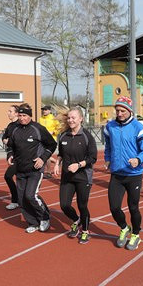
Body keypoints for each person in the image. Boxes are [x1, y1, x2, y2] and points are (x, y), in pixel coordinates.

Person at [104, 96, 143, 251]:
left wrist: (138, 159)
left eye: (122, 110)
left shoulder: (138, 128)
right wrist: (107, 159)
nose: (119, 113)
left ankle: (136, 234)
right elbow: (108, 147)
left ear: (129, 110)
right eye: (117, 110)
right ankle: (124, 227)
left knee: (133, 207)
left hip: (133, 175)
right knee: (114, 207)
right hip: (117, 174)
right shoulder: (109, 126)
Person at [7, 105, 57, 233]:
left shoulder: (38, 129)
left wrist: (43, 158)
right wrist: (10, 155)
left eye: (25, 116)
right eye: (20, 116)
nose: (22, 118)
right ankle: (32, 222)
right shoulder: (15, 129)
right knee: (22, 198)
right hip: (20, 169)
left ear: (30, 116)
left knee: (31, 196)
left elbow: (52, 145)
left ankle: (44, 217)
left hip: (35, 169)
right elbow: (10, 146)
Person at [53, 107, 97, 244]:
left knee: (82, 205)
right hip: (67, 176)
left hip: (83, 176)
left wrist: (78, 165)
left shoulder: (87, 136)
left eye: (73, 118)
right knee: (64, 205)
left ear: (81, 119)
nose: (70, 120)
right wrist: (57, 164)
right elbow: (61, 153)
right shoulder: (64, 136)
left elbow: (92, 158)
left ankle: (85, 231)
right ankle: (76, 220)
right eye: (69, 118)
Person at [2, 105, 20, 210]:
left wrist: (10, 142)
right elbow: (4, 138)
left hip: (20, 156)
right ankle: (17, 200)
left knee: (8, 176)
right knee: (16, 178)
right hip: (12, 155)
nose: (8, 113)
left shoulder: (19, 125)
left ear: (16, 113)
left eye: (10, 111)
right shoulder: (10, 125)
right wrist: (9, 153)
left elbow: (15, 141)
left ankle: (16, 200)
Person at [39, 105, 59, 179]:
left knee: (46, 156)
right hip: (41, 140)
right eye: (43, 110)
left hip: (51, 140)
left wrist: (53, 132)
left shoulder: (54, 119)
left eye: (46, 110)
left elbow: (59, 128)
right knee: (42, 154)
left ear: (50, 111)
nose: (44, 111)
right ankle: (56, 161)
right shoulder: (40, 119)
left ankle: (49, 172)